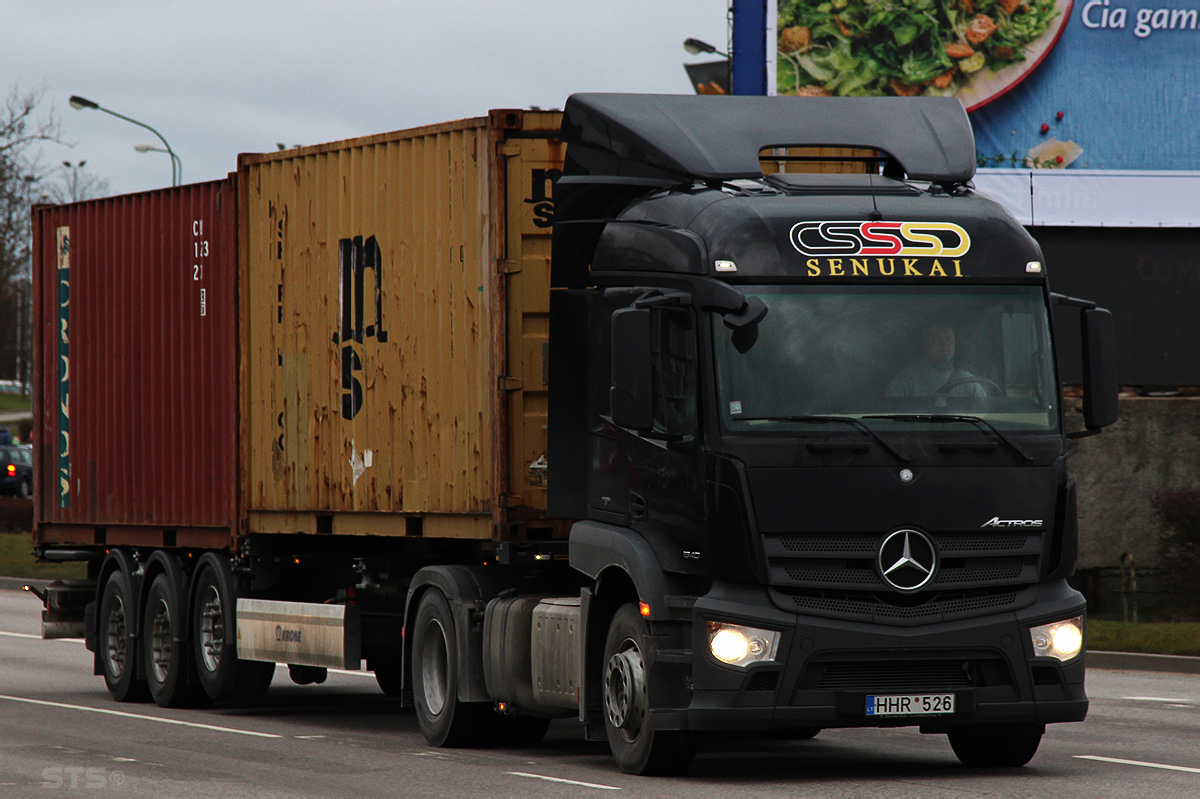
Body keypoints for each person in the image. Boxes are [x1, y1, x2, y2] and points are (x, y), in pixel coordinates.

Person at [886, 324, 986, 397]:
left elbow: (984, 417)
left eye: (948, 339)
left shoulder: (970, 383)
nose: (944, 344)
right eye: (937, 340)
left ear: (955, 342)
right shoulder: (905, 381)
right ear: (925, 345)